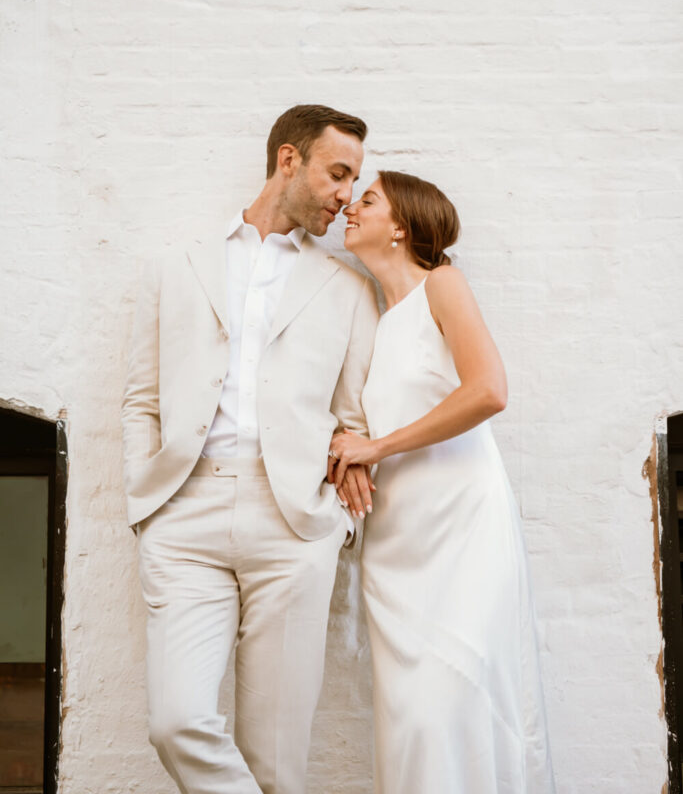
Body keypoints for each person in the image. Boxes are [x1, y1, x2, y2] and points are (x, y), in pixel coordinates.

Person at [121, 105, 379, 794]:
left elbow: (353, 419)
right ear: (288, 160)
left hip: (293, 524)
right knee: (177, 722)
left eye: (353, 180)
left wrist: (336, 526)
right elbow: (141, 399)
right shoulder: (175, 266)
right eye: (337, 173)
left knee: (276, 762)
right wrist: (147, 509)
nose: (345, 195)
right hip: (184, 517)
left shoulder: (349, 288)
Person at [329, 170, 556, 794]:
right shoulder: (374, 319)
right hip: (396, 544)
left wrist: (376, 446)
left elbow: (488, 391)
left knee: (455, 702)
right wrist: (346, 449)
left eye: (367, 199)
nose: (350, 205)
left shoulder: (443, 285)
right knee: (409, 722)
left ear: (400, 227)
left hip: (461, 529)